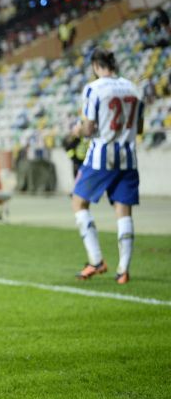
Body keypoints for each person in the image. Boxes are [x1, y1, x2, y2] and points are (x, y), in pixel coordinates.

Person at [72, 48, 143, 284]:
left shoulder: (94, 88)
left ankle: (96, 260)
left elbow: (89, 129)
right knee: (123, 211)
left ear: (95, 66)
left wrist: (77, 130)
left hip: (102, 156)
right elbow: (139, 128)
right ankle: (123, 270)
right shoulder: (133, 87)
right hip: (128, 156)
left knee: (79, 202)